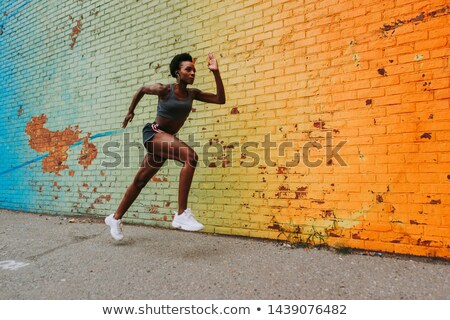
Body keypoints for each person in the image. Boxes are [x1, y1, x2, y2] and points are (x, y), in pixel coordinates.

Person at [105, 53, 225, 240]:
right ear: (178, 72)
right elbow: (143, 89)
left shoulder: (193, 94)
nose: (192, 73)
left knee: (140, 181)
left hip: (165, 140)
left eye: (194, 70)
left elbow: (220, 99)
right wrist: (130, 112)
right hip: (154, 133)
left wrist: (216, 72)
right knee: (190, 157)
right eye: (188, 69)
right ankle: (181, 213)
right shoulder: (164, 89)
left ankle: (115, 217)